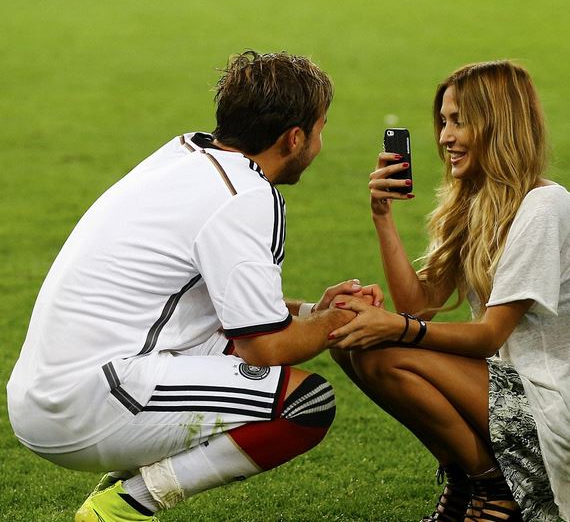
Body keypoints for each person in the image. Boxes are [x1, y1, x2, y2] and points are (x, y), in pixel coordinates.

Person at [7, 50, 379, 522]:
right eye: (321, 128)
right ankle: (126, 504)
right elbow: (265, 347)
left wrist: (312, 313)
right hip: (84, 403)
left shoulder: (183, 153)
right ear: (294, 138)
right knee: (304, 403)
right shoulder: (244, 195)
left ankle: (124, 484)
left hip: (47, 390)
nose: (320, 143)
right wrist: (339, 321)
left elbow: (223, 306)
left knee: (237, 349)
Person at [329, 60, 569, 522]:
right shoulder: (476, 200)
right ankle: (469, 479)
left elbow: (490, 335)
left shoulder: (544, 207)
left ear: (499, 124)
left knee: (385, 351)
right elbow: (419, 306)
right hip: (507, 389)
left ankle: (493, 487)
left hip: (549, 404)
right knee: (350, 339)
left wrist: (395, 327)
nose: (445, 137)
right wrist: (382, 217)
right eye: (443, 122)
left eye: (459, 121)